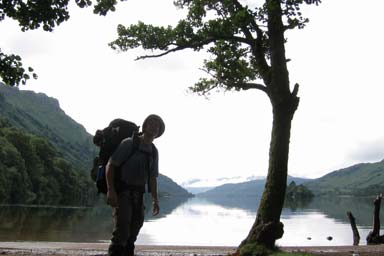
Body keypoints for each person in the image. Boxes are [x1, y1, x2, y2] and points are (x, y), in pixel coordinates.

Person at [105, 114, 165, 256]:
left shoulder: (154, 152)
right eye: (152, 123)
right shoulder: (129, 143)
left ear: (159, 132)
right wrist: (111, 190)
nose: (154, 127)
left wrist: (155, 200)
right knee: (122, 230)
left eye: (158, 126)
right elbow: (111, 165)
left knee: (135, 228)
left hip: (139, 195)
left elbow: (152, 178)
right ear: (145, 126)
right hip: (123, 192)